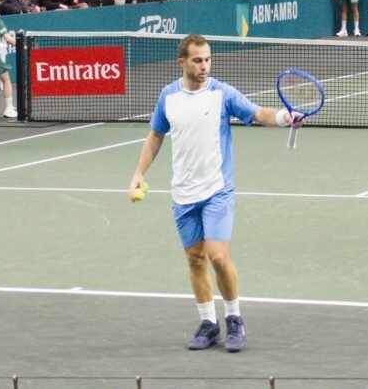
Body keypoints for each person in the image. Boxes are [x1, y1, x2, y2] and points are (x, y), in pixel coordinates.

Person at [128, 33, 303, 353]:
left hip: (216, 190)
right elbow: (155, 136)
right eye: (198, 60)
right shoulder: (168, 96)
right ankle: (209, 324)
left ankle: (234, 318)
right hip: (182, 194)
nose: (205, 65)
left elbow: (257, 113)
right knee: (195, 259)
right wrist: (138, 174)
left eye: (208, 59)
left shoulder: (222, 93)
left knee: (218, 256)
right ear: (182, 62)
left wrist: (283, 117)